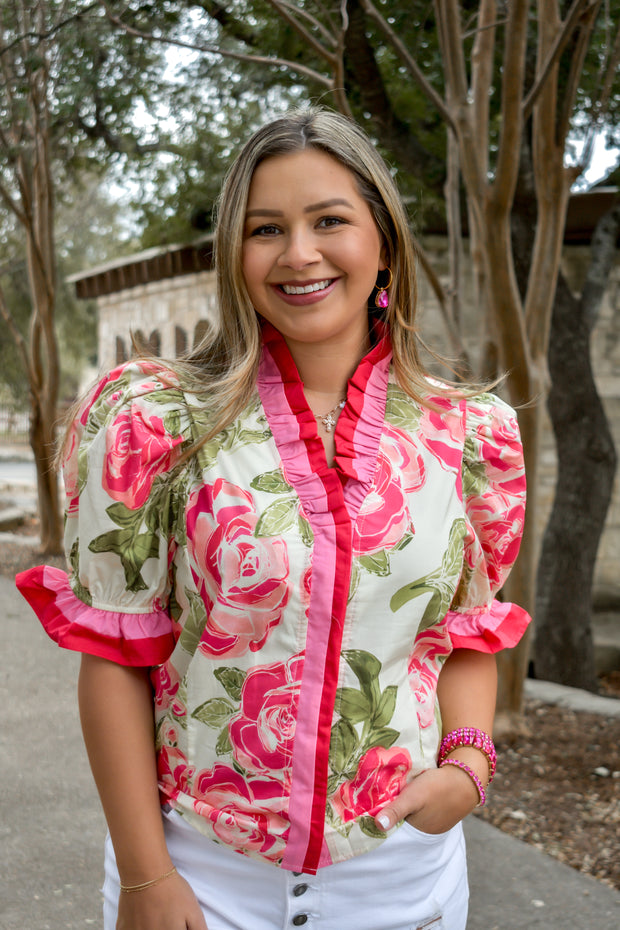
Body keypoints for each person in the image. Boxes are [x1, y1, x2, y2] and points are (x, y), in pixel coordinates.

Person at [16, 107, 530, 930]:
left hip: (403, 879)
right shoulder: (155, 423)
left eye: (330, 220)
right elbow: (115, 656)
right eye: (266, 229)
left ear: (384, 243)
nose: (299, 254)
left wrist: (467, 770)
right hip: (197, 875)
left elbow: (465, 631)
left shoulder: (468, 436)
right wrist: (148, 879)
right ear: (235, 253)